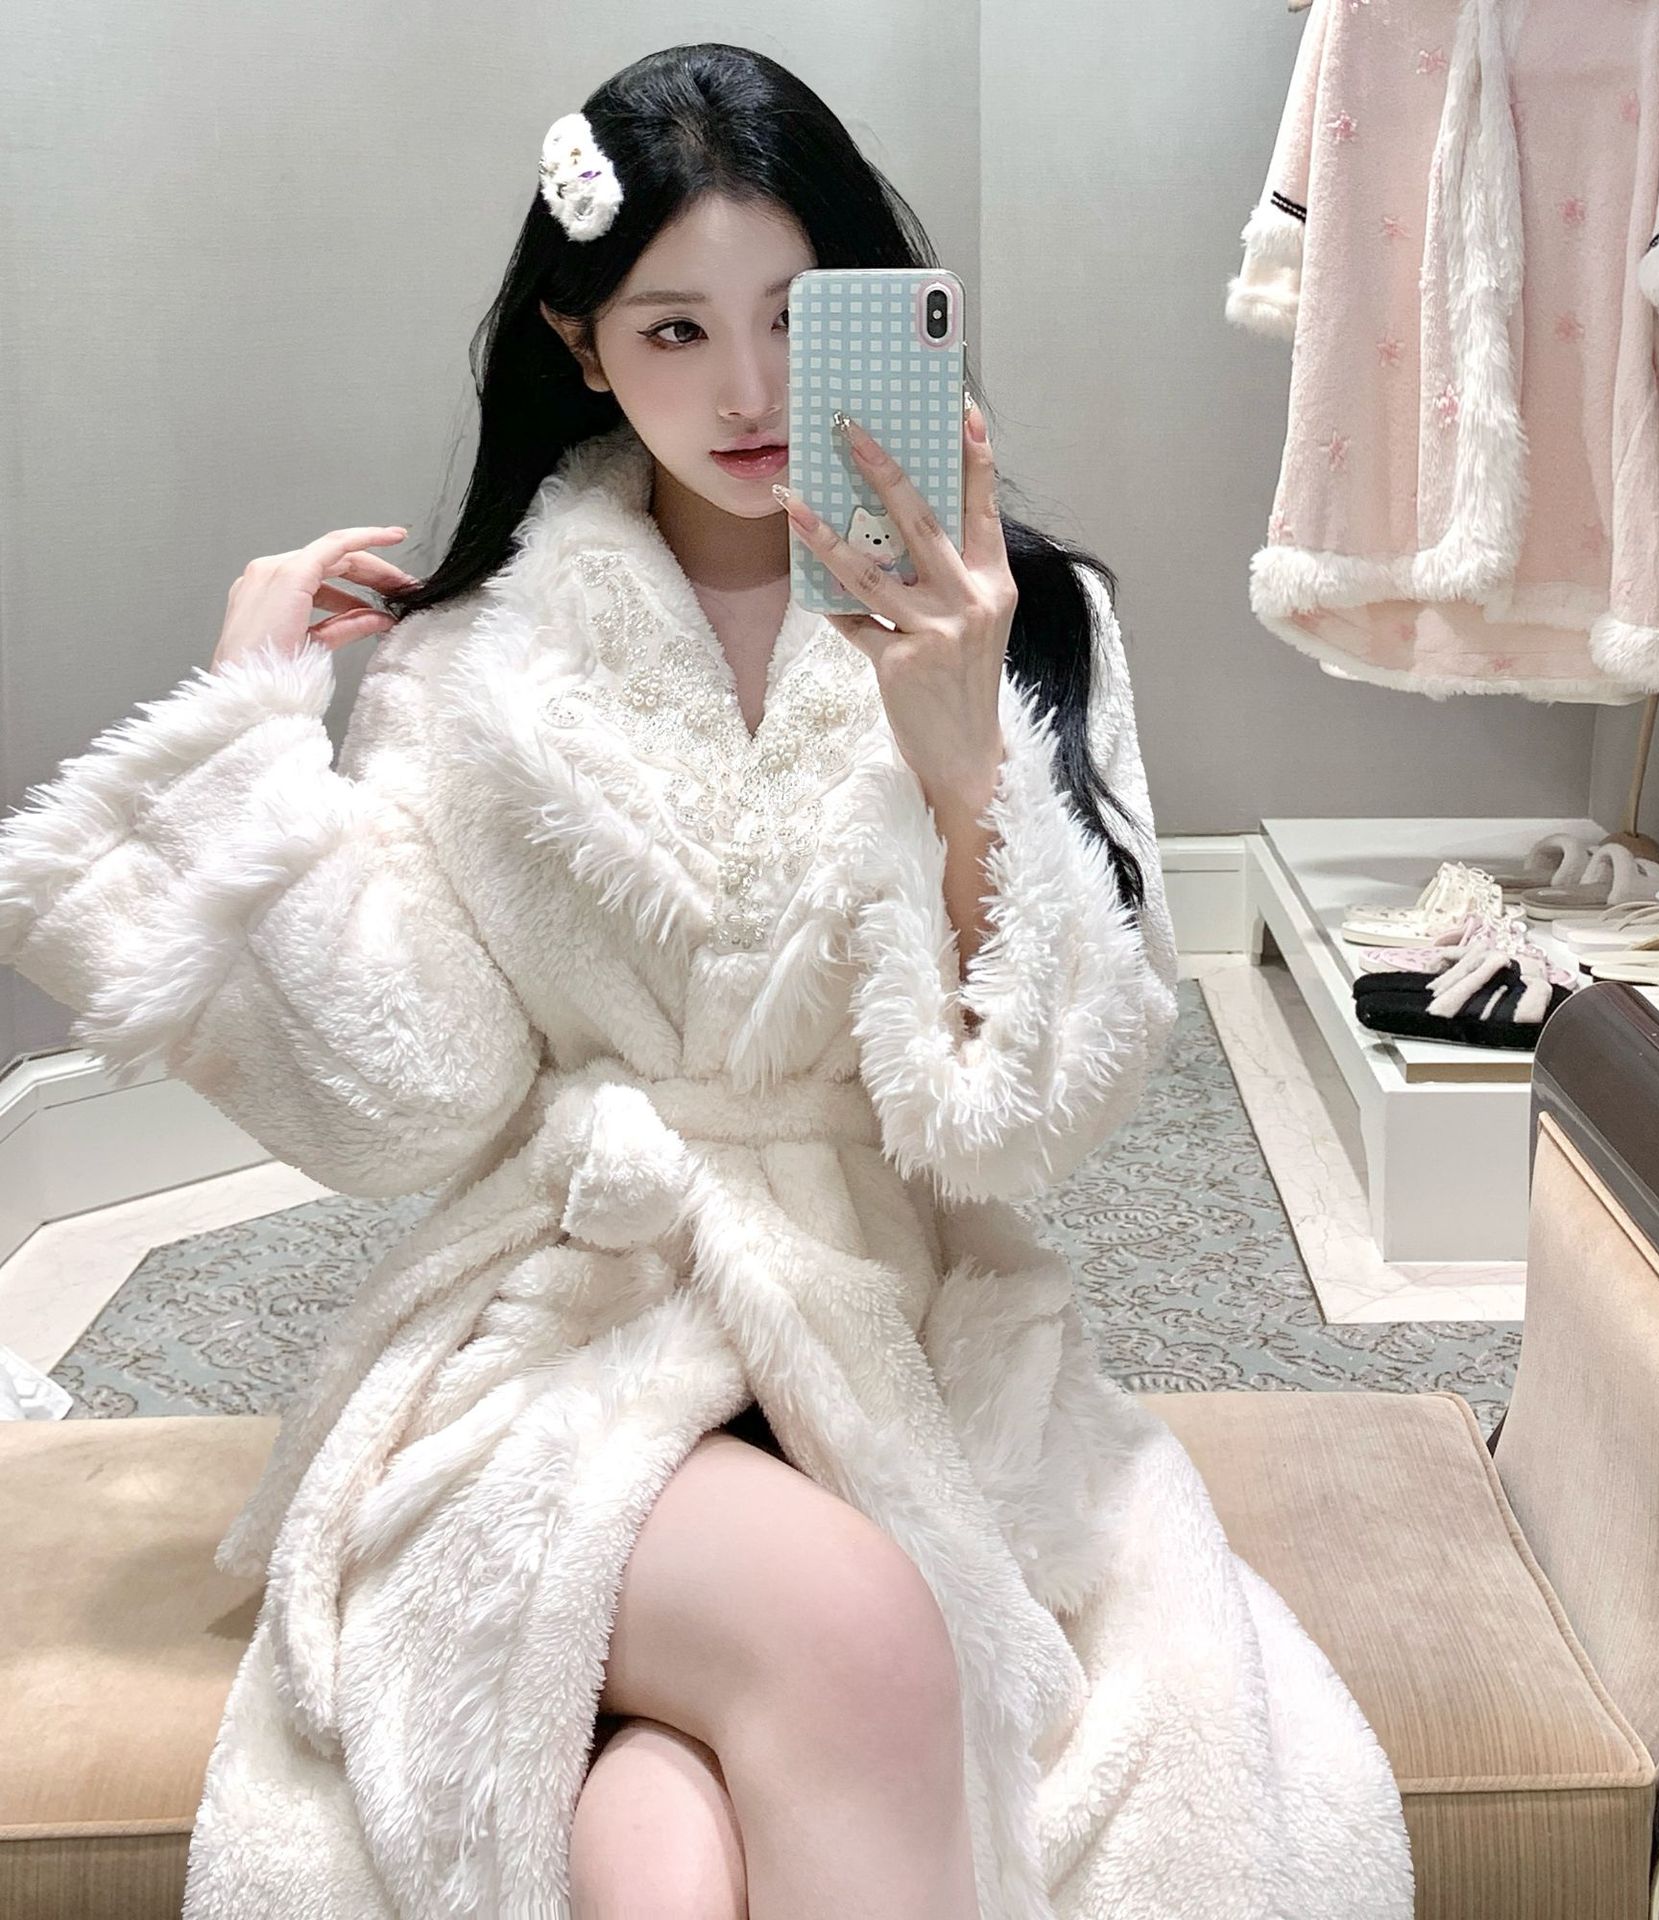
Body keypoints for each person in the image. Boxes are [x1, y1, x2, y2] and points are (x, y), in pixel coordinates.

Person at [0, 40, 1411, 1920]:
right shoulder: (472, 668)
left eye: (793, 319)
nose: (747, 391)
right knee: (853, 1636)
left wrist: (964, 761)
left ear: (877, 314)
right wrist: (254, 747)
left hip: (899, 1335)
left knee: (660, 1850)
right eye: (673, 331)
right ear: (581, 346)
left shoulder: (1027, 622)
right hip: (562, 1335)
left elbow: (1031, 1129)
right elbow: (410, 1102)